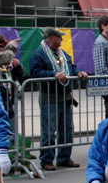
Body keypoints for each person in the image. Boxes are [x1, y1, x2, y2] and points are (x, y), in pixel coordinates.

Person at [28, 28, 88, 171]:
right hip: (50, 98)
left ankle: (64, 158)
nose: (61, 40)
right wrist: (53, 73)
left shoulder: (63, 54)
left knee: (67, 129)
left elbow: (71, 67)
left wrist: (78, 71)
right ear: (51, 38)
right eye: (59, 37)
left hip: (65, 97)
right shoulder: (38, 54)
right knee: (49, 130)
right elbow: (35, 73)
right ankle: (47, 160)